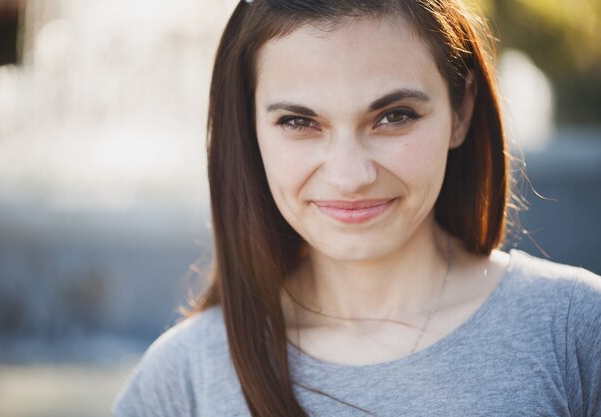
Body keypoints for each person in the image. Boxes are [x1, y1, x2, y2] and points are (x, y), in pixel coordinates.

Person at [112, 1, 601, 416]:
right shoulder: (184, 376)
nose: (349, 177)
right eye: (299, 122)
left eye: (394, 116)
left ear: (462, 110)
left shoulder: (575, 328)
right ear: (250, 130)